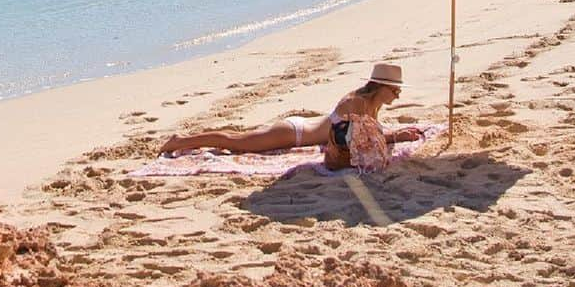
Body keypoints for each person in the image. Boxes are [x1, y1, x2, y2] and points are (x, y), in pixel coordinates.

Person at [157, 62, 423, 166]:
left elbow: (367, 137)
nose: (398, 95)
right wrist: (394, 137)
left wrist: (396, 135)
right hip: (292, 134)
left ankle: (181, 140)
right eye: (395, 89)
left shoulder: (371, 105)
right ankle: (179, 141)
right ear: (380, 87)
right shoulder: (356, 104)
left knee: (236, 140)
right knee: (235, 142)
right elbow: (355, 141)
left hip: (302, 128)